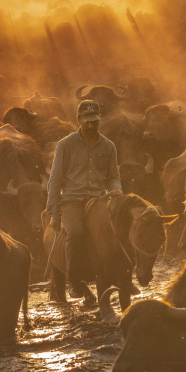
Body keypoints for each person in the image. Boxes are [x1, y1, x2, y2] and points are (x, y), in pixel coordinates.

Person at [46, 100, 123, 298]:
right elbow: (55, 180)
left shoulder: (109, 146)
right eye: (87, 121)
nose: (91, 125)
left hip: (99, 199)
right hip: (72, 200)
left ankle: (123, 276)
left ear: (100, 120)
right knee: (76, 233)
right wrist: (54, 213)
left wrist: (116, 190)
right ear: (78, 120)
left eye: (94, 121)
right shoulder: (65, 145)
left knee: (119, 229)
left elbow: (113, 176)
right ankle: (74, 281)